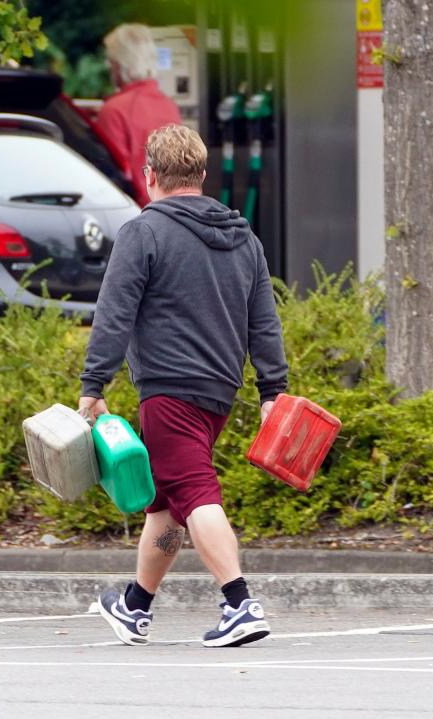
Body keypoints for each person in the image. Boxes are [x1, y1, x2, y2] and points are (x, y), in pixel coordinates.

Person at [78, 124, 288, 648]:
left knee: (193, 491)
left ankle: (240, 603)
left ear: (150, 175)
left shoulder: (143, 232)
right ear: (201, 174)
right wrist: (271, 392)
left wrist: (93, 383)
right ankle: (135, 605)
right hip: (218, 391)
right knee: (166, 502)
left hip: (168, 390)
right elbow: (264, 322)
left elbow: (114, 313)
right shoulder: (245, 238)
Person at [94, 23, 183, 208]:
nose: (108, 66)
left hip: (138, 213)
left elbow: (113, 177)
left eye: (110, 59)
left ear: (120, 64)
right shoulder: (169, 106)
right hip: (178, 211)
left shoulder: (114, 111)